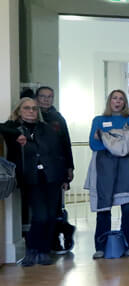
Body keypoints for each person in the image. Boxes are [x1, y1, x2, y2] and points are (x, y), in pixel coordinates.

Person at [1, 97, 64, 266]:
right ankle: (32, 249)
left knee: (50, 216)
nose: (31, 111)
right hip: (30, 178)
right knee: (40, 216)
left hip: (51, 177)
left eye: (34, 108)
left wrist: (64, 176)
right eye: (27, 108)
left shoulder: (46, 128)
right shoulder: (13, 127)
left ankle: (43, 251)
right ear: (19, 111)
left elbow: (58, 152)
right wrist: (17, 135)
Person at [85, 90, 129, 258]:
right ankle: (100, 247)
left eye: (121, 99)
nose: (117, 101)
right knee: (103, 209)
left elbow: (128, 143)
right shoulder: (98, 120)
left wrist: (104, 136)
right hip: (103, 169)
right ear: (109, 101)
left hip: (127, 168)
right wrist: (118, 137)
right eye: (114, 98)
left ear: (125, 102)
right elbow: (94, 144)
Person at [36, 86, 75, 253]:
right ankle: (49, 239)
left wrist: (69, 168)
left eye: (50, 96)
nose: (46, 99)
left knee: (54, 209)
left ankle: (54, 241)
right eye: (43, 96)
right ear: (37, 98)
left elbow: (66, 143)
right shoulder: (31, 115)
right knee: (40, 210)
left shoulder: (58, 118)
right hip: (35, 171)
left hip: (56, 169)